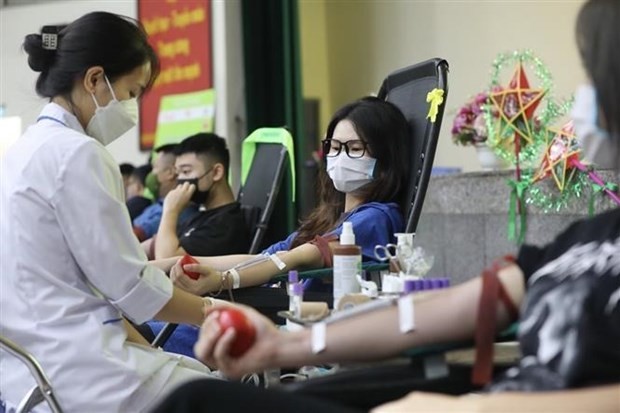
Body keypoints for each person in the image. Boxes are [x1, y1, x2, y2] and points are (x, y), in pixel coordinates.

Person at [152, 0, 620, 411]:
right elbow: (458, 307)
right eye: (333, 147)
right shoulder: (583, 241)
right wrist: (283, 346)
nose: (583, 101)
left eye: (596, 79)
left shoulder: (375, 218)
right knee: (196, 400)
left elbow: (292, 258)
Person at [0, 12, 220, 413]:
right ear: (95, 80)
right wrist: (217, 313)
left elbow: (84, 272)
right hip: (83, 372)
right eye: (132, 92)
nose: (132, 107)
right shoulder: (77, 153)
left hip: (30, 375)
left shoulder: (22, 151)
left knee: (196, 374)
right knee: (227, 389)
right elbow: (131, 288)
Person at [162, 96, 409, 297]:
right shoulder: (330, 218)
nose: (340, 157)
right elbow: (263, 258)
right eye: (334, 147)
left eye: (354, 148)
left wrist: (224, 280)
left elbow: (297, 258)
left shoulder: (376, 217)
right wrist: (172, 263)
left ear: (385, 157)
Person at [150, 133, 250, 260]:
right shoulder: (201, 216)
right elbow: (152, 246)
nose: (180, 180)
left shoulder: (223, 226)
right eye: (178, 173)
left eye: (186, 172)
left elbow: (166, 262)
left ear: (216, 172)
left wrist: (170, 211)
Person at [133, 144, 199, 242]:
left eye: (155, 167)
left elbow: (133, 236)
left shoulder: (179, 212)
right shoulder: (157, 205)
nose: (152, 173)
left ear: (170, 172)